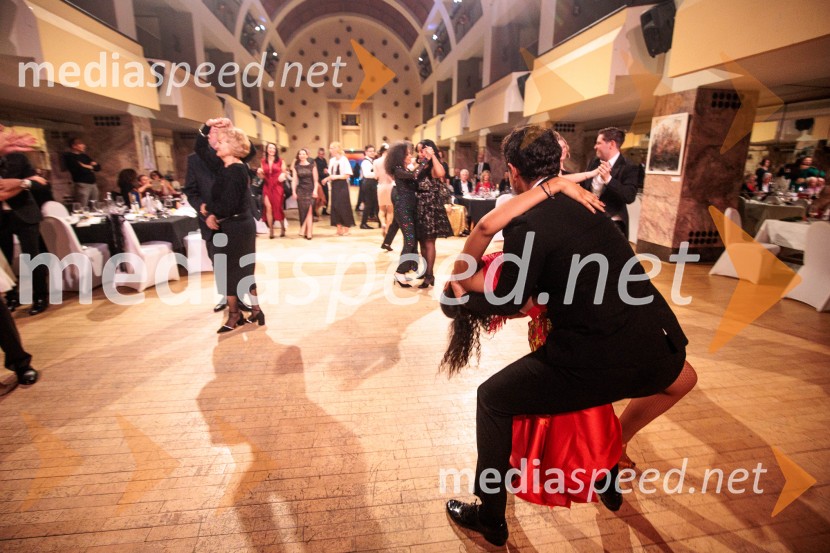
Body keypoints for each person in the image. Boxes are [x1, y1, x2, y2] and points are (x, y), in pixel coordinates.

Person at [443, 125, 697, 546]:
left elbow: (510, 300)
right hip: (657, 341)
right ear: (558, 164)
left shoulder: (529, 223)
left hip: (595, 353)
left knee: (492, 399)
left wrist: (465, 287)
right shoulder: (589, 203)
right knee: (683, 378)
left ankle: (489, 517)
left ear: (512, 172)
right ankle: (610, 459)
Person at [196, 118, 264, 333]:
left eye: (222, 142)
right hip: (230, 225)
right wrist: (208, 126)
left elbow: (229, 203)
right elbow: (200, 148)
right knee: (234, 271)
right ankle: (254, 311)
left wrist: (209, 211)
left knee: (235, 271)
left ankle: (236, 314)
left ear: (233, 148)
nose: (217, 145)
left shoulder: (236, 169)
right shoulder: (224, 166)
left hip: (236, 227)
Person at [0, 151, 49, 316]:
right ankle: (12, 297)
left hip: (25, 214)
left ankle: (40, 297)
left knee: (33, 258)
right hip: (2, 219)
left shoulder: (17, 158)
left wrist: (21, 183)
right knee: (4, 262)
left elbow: (39, 183)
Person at [581, 127, 638, 236]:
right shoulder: (594, 162)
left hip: (612, 224)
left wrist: (608, 179)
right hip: (588, 219)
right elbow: (585, 186)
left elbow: (629, 196)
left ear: (611, 144)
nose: (595, 146)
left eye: (598, 143)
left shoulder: (629, 167)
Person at [414, 139, 451, 288]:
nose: (420, 153)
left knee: (429, 241)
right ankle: (426, 270)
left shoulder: (433, 165)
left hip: (430, 206)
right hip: (419, 206)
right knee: (422, 241)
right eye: (418, 150)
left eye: (422, 150)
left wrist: (433, 156)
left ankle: (430, 275)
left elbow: (441, 173)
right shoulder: (421, 165)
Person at [386, 141, 424, 286]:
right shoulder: (397, 170)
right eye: (407, 154)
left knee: (411, 241)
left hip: (409, 209)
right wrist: (424, 160)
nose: (410, 156)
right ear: (400, 156)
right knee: (409, 241)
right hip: (403, 209)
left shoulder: (403, 169)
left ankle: (405, 269)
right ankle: (399, 272)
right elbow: (415, 175)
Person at [322, 142, 355, 236]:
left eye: (332, 148)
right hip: (334, 186)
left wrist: (333, 177)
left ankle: (346, 228)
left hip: (342, 186)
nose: (330, 150)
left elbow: (347, 175)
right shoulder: (332, 160)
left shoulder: (344, 160)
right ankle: (338, 228)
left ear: (337, 149)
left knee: (343, 206)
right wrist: (328, 178)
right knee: (335, 206)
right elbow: (330, 174)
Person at [291, 148, 320, 240]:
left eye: (304, 154)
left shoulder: (312, 166)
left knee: (309, 211)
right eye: (300, 154)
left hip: (311, 190)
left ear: (307, 155)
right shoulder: (296, 167)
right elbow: (294, 180)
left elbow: (316, 180)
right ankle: (305, 230)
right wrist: (293, 191)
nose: (302, 155)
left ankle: (309, 232)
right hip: (301, 191)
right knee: (303, 212)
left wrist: (315, 190)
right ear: (298, 156)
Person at [64, 137, 101, 207]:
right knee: (82, 207)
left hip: (93, 184)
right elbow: (81, 170)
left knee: (95, 206)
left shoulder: (84, 156)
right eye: (81, 144)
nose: (84, 145)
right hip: (82, 185)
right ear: (74, 146)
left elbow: (98, 167)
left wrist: (87, 166)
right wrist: (90, 167)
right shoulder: (70, 157)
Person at [260, 143, 286, 239]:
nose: (272, 150)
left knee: (278, 207)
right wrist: (259, 173)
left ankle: (283, 227)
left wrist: (283, 175)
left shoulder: (280, 160)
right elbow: (262, 176)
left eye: (273, 148)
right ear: (267, 150)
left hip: (277, 186)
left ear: (276, 150)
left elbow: (284, 172)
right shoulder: (263, 161)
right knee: (268, 207)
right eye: (270, 148)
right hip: (267, 186)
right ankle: (271, 230)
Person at [374, 144, 394, 237]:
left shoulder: (376, 161)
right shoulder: (391, 161)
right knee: (390, 210)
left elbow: (376, 176)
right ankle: (387, 228)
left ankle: (383, 223)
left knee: (381, 209)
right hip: (390, 186)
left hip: (381, 186)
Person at [360, 145, 378, 229]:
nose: (372, 152)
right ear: (366, 152)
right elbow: (366, 174)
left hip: (372, 183)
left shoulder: (372, 161)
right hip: (368, 183)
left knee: (375, 203)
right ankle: (363, 223)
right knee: (368, 204)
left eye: (373, 151)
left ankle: (380, 222)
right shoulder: (365, 162)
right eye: (370, 151)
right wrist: (377, 175)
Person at [314, 147, 330, 215]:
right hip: (318, 180)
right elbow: (316, 171)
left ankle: (324, 210)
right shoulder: (315, 161)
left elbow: (326, 168)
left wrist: (326, 171)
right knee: (318, 197)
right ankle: (315, 211)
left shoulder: (324, 160)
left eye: (323, 154)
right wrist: (324, 172)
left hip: (324, 180)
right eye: (320, 154)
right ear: (318, 153)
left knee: (326, 195)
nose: (321, 155)